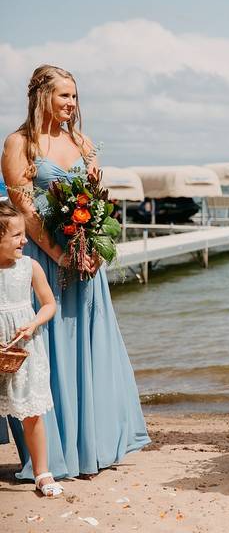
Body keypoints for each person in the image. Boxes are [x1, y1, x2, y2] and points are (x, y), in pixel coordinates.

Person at [1, 65, 150, 479]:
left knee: (88, 346)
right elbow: (25, 211)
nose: (71, 104)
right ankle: (52, 457)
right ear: (41, 96)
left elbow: (97, 198)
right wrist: (59, 254)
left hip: (85, 263)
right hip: (46, 261)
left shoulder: (82, 142)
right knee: (47, 350)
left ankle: (93, 449)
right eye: (64, 95)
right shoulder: (19, 144)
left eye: (74, 96)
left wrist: (94, 245)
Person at [0, 200, 61, 496]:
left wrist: (34, 323)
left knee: (31, 412)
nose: (25, 240)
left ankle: (42, 473)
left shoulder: (30, 267)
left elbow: (49, 304)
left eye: (24, 233)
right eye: (16, 236)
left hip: (24, 350)